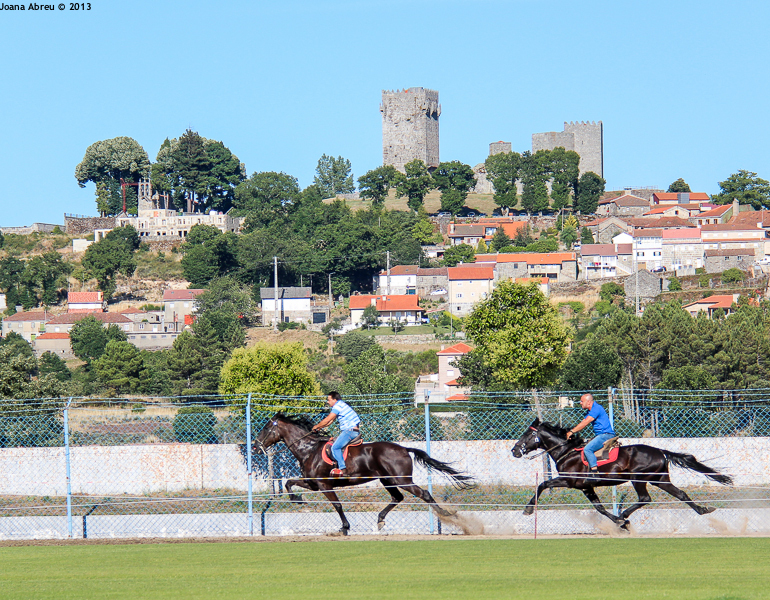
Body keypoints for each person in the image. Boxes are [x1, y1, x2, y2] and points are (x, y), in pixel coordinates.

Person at [566, 393, 616, 477]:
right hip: (601, 435)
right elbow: (582, 422)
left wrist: (571, 432)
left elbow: (585, 423)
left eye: (582, 401)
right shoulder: (591, 410)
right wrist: (572, 432)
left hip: (605, 435)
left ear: (588, 402)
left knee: (588, 449)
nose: (580, 403)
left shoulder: (596, 408)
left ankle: (594, 473)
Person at [312, 391, 361, 476]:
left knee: (335, 448)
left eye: (329, 400)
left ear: (335, 400)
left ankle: (343, 469)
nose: (328, 402)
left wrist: (316, 426)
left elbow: (328, 419)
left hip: (349, 431)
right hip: (352, 431)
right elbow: (330, 421)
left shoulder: (338, 406)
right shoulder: (341, 405)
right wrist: (320, 427)